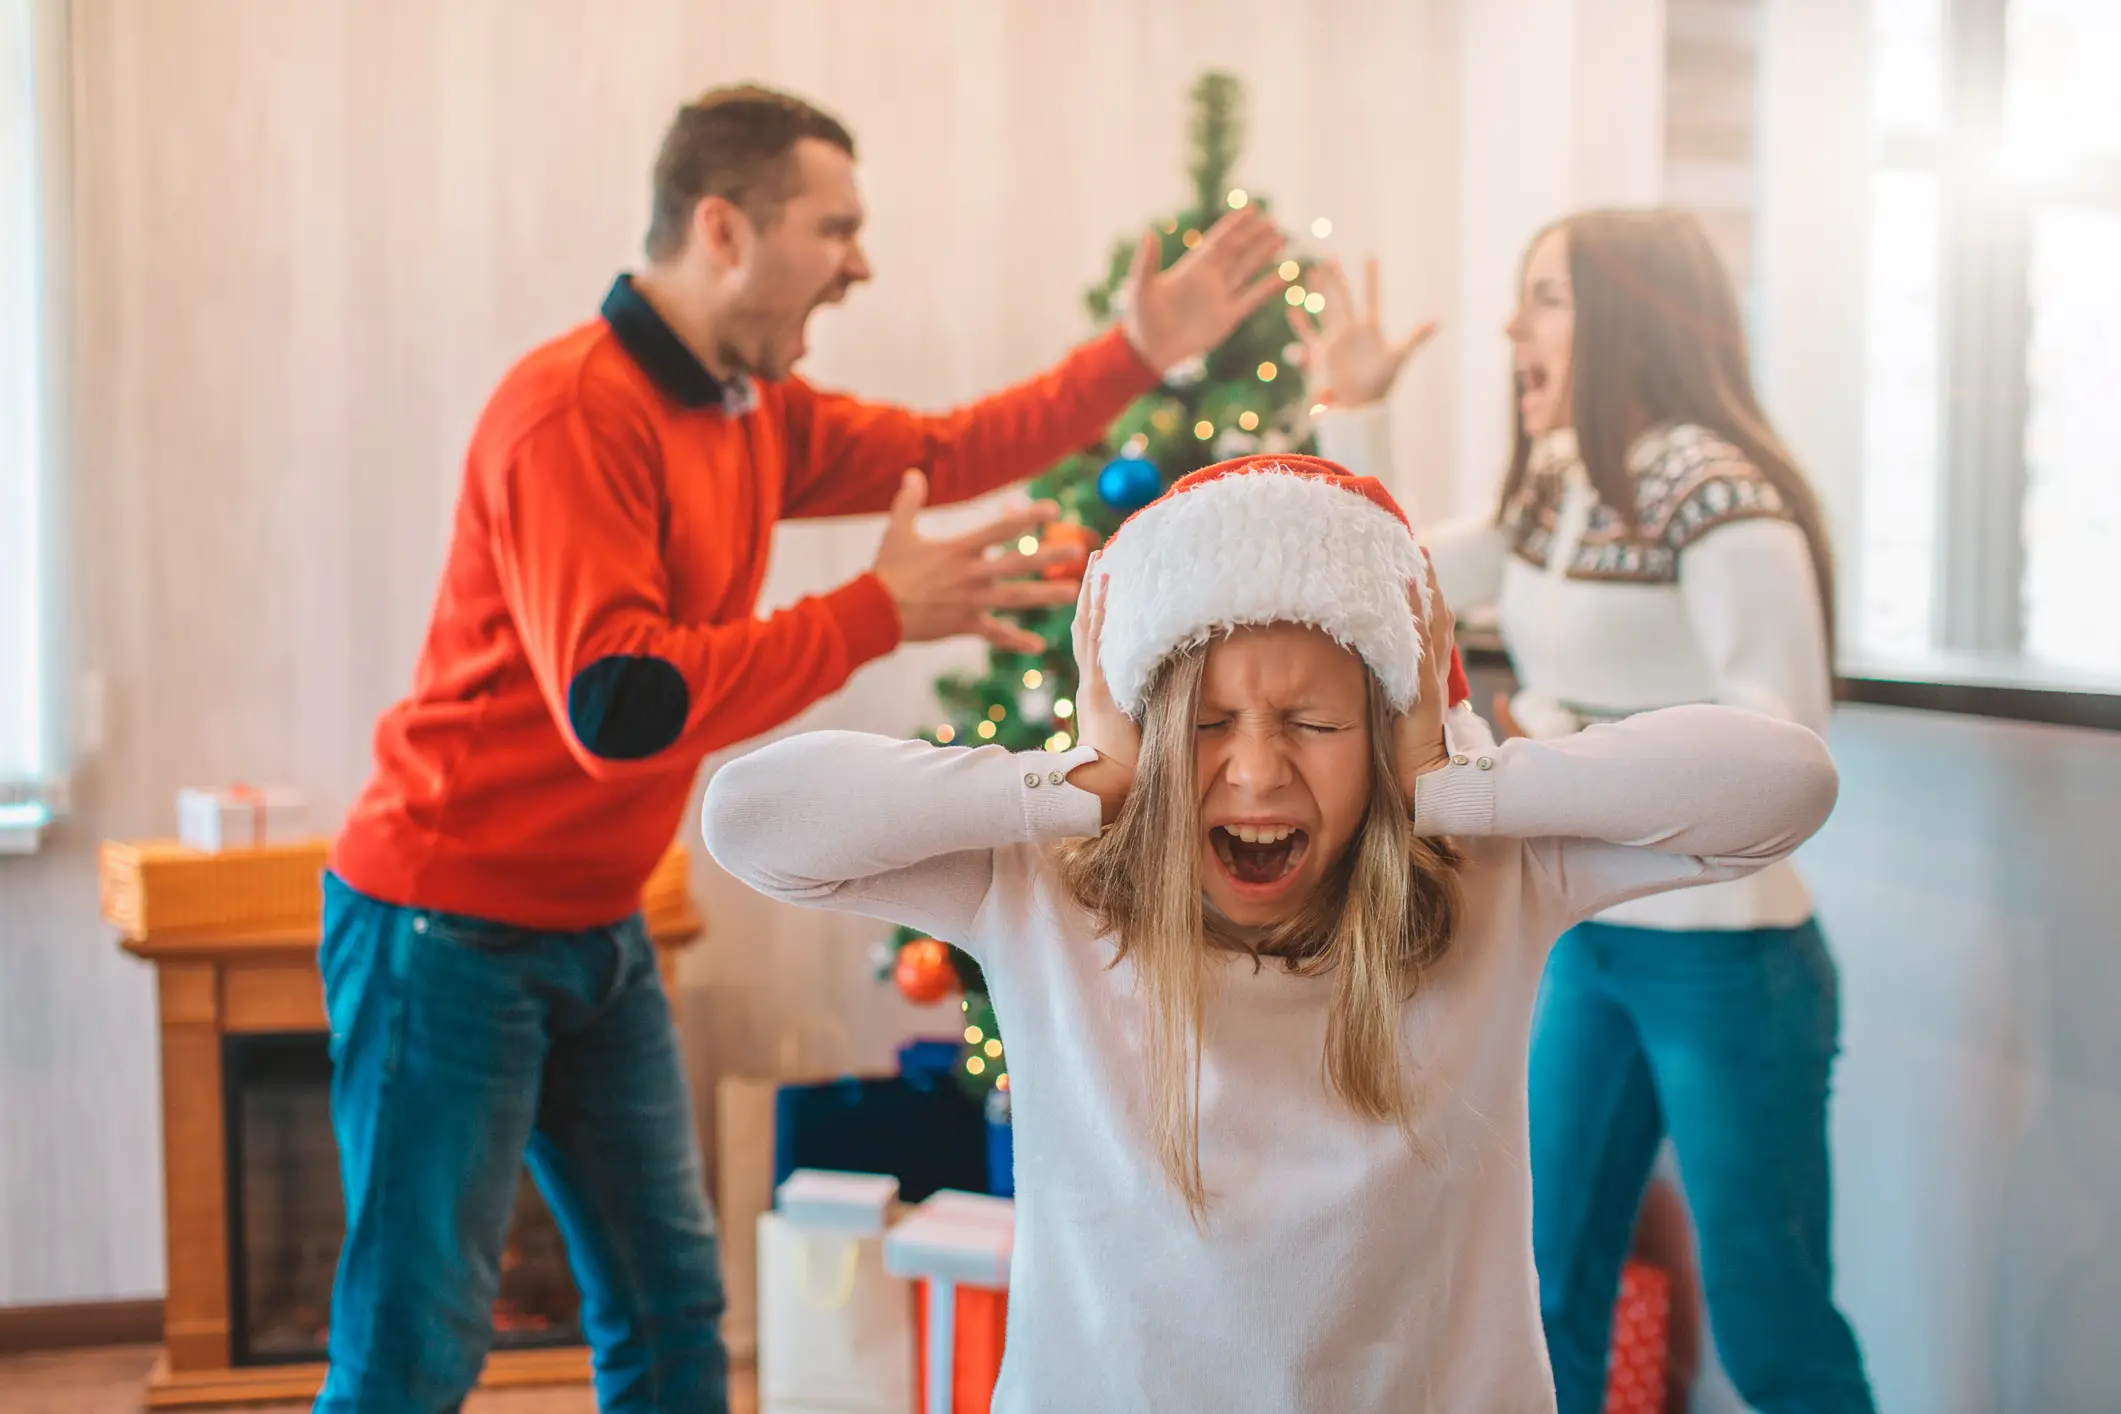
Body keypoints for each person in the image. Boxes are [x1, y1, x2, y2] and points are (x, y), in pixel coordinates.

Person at [316, 84, 1288, 1414]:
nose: (860, 263)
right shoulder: (569, 414)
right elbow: (620, 705)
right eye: (835, 228)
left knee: (673, 1315)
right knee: (412, 1355)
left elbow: (953, 448)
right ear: (724, 227)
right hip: (445, 927)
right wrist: (873, 613)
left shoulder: (748, 410)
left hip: (596, 929)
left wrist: (1134, 351)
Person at [701, 451, 1841, 1413]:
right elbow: (751, 820)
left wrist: (1446, 781)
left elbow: (1783, 784)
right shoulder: (1045, 886)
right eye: (1202, 725)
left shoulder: (1493, 875)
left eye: (1312, 721)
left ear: (1384, 728)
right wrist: (1085, 779)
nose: (1255, 770)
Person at [1292, 210, 1876, 1412]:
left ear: (1629, 316)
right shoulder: (1563, 485)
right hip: (1588, 944)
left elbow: (1786, 746)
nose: (1514, 326)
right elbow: (1386, 571)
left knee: (1771, 1328)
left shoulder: (1718, 492)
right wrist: (1352, 415)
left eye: (1545, 296)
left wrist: (1553, 757)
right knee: (1543, 1293)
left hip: (1729, 960)